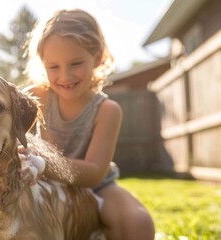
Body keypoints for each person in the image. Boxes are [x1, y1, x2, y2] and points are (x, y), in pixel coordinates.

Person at [20, 9, 155, 240]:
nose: (65, 76)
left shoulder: (107, 110)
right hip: (41, 182)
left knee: (138, 223)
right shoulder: (36, 97)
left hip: (98, 188)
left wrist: (42, 163)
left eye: (76, 63)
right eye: (54, 67)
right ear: (42, 64)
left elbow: (93, 172)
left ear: (98, 56)